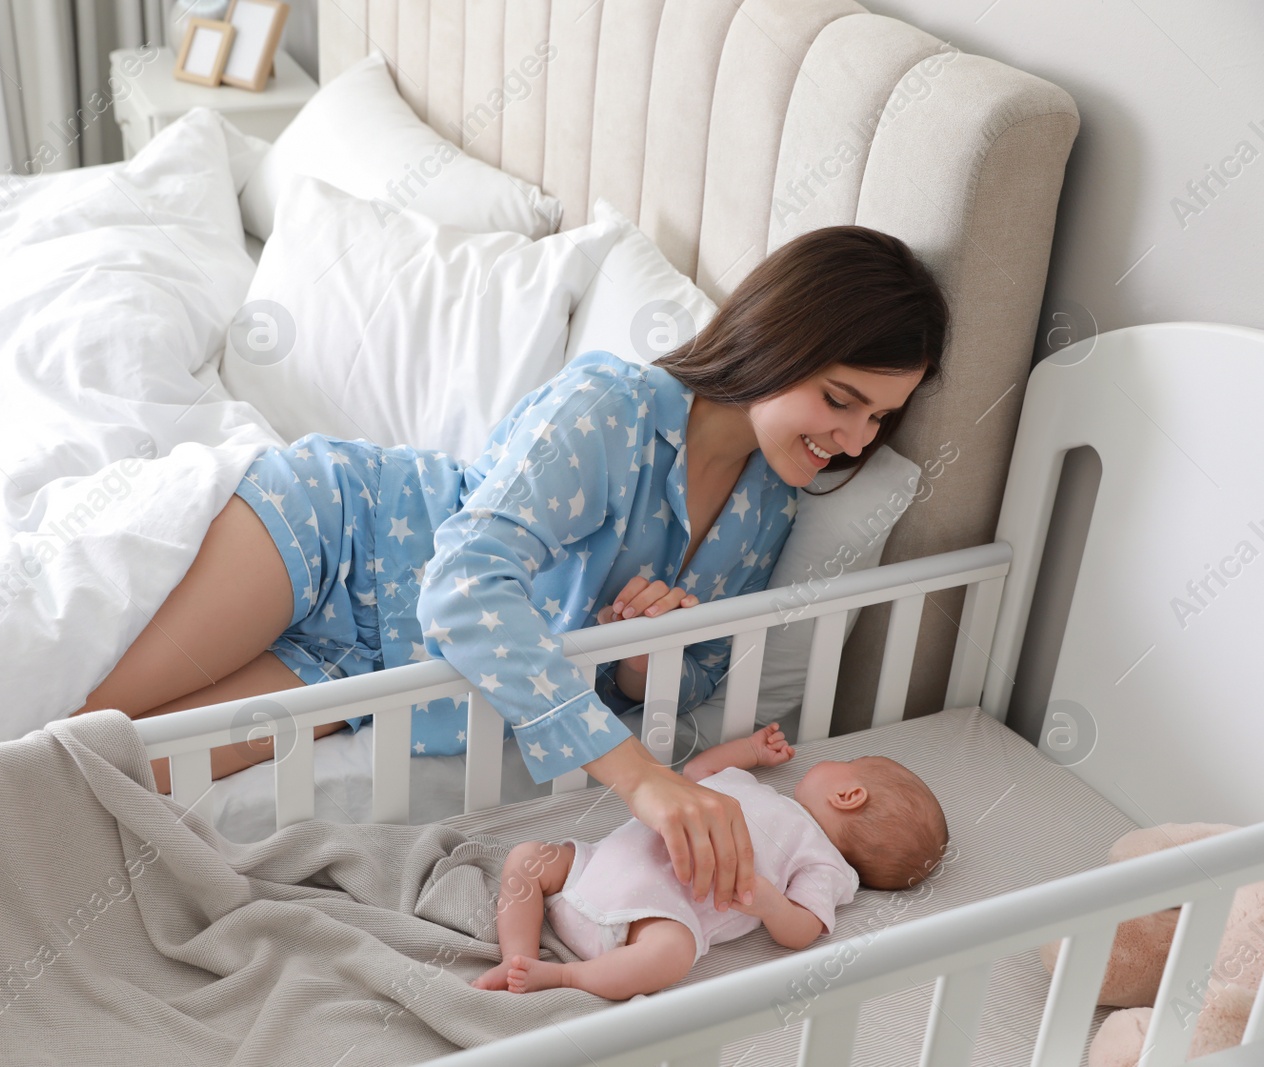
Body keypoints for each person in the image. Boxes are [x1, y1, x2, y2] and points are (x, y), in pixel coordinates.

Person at [73, 224, 949, 914]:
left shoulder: (770, 509)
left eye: (880, 419)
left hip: (374, 670)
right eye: (841, 400)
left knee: (117, 769)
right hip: (339, 536)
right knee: (91, 723)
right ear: (778, 342)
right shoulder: (612, 408)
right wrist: (635, 773)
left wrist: (640, 663)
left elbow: (700, 665)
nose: (854, 441)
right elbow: (464, 582)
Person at [472, 724, 949, 998]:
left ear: (848, 794)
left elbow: (803, 929)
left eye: (850, 762)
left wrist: (769, 905)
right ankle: (519, 955)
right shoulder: (751, 787)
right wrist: (751, 751)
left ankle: (563, 976)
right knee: (527, 857)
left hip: (650, 918)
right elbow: (697, 774)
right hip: (593, 868)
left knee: (673, 952)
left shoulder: (825, 862)